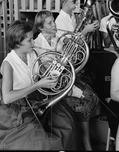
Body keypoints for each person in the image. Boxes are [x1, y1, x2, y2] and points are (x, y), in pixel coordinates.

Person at [0, 20, 80, 150]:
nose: (33, 43)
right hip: (15, 111)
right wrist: (38, 85)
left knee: (68, 124)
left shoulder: (32, 54)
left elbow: (39, 76)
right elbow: (7, 98)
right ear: (17, 43)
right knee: (42, 143)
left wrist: (55, 67)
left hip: (35, 100)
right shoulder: (8, 64)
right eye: (29, 40)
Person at [33, 10, 99, 151]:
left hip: (66, 78)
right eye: (50, 23)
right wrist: (63, 60)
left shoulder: (58, 37)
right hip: (55, 85)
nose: (54, 25)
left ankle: (85, 138)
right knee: (85, 99)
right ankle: (85, 141)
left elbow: (71, 55)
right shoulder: (37, 43)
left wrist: (72, 53)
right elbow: (51, 71)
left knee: (92, 96)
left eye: (53, 21)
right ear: (40, 27)